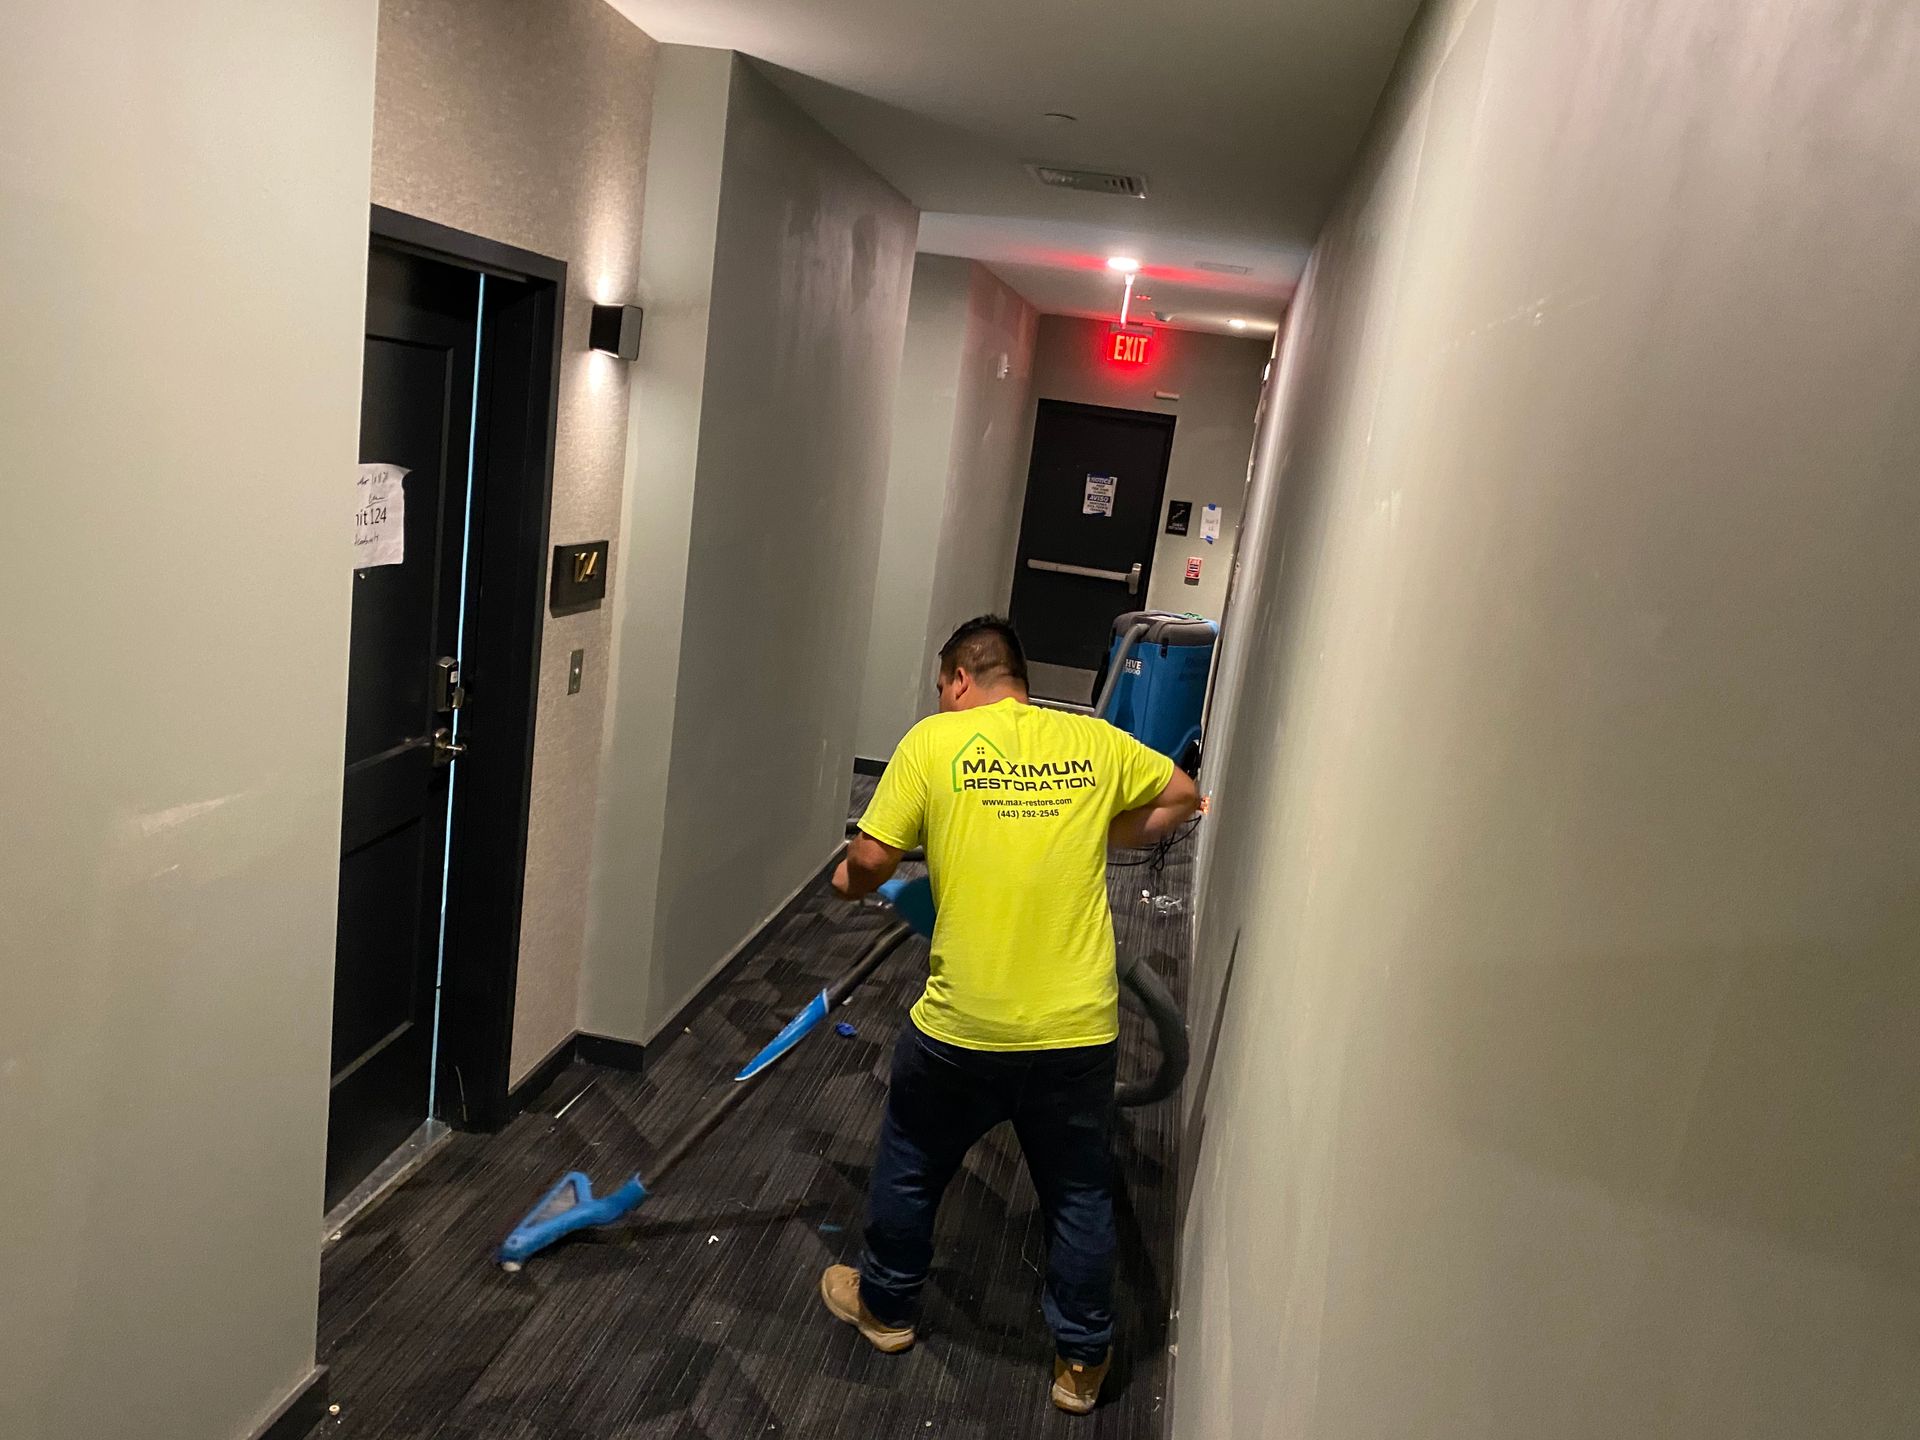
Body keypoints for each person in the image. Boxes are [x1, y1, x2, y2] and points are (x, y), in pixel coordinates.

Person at [820, 615, 1201, 1415]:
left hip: (963, 1028)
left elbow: (873, 859)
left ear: (960, 679)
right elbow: (1183, 796)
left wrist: (847, 884)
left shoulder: (932, 744)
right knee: (1078, 1193)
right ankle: (1080, 1364)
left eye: (942, 687)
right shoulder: (1093, 742)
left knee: (914, 1160)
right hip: (1078, 1031)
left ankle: (886, 1308)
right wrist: (1104, 828)